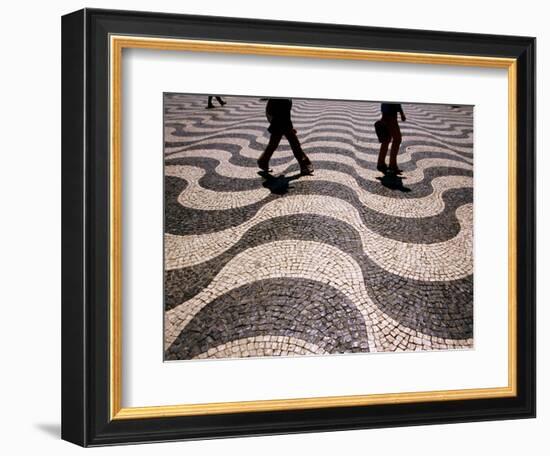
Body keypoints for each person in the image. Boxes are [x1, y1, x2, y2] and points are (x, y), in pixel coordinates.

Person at [257, 98, 313, 175]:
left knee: (274, 144)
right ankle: (304, 165)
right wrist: (274, 124)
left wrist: (289, 127)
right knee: (295, 144)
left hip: (284, 124)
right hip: (279, 124)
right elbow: (269, 111)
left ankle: (263, 161)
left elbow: (286, 114)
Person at [377, 102, 406, 174]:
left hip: (386, 113)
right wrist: (401, 113)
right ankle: (392, 165)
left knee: (386, 140)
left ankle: (381, 163)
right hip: (391, 115)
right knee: (397, 139)